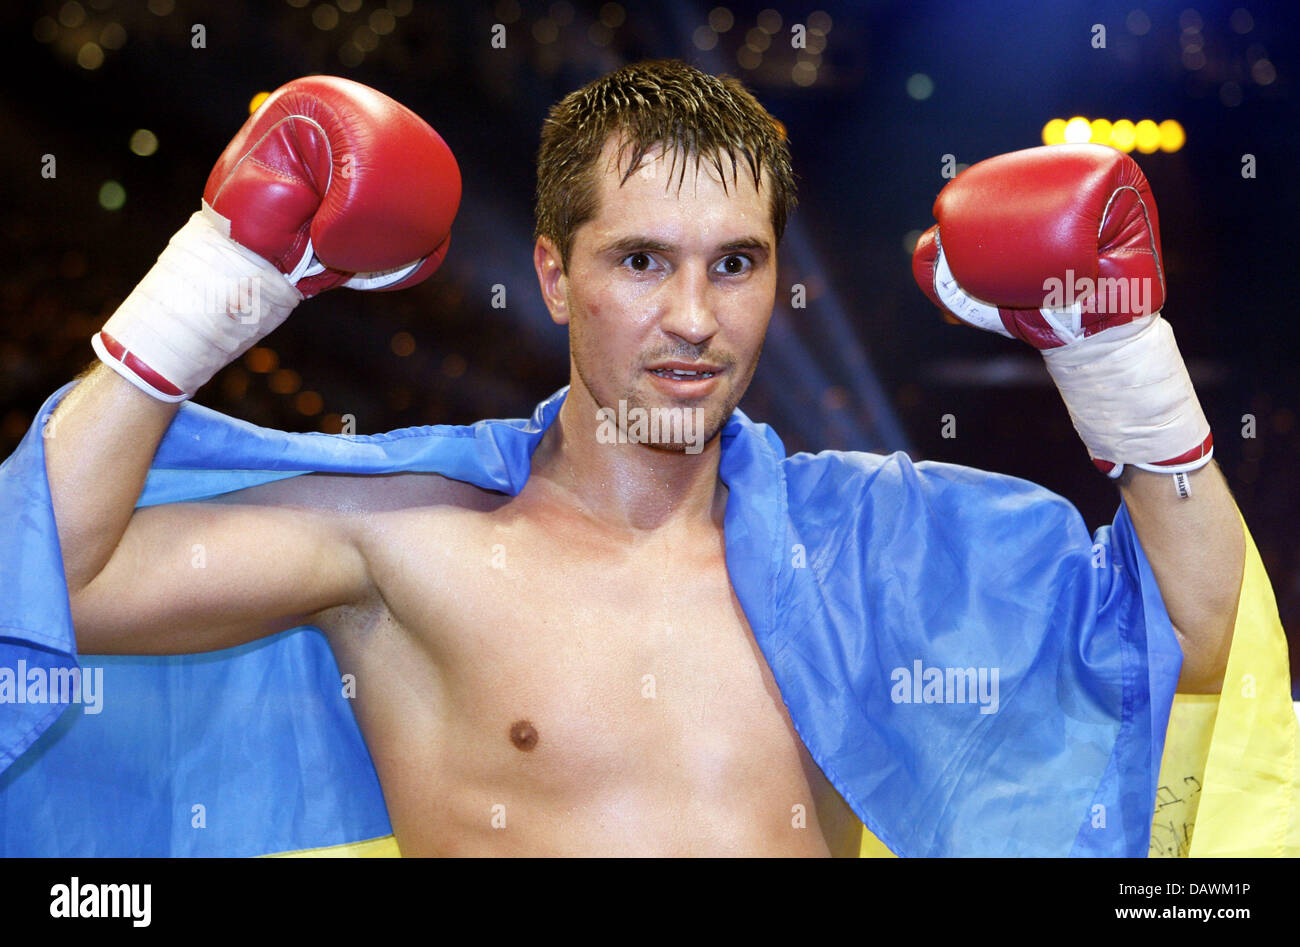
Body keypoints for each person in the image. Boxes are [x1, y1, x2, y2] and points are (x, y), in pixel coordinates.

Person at [0, 60, 1292, 857]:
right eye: (641, 261)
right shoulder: (403, 541)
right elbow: (52, 586)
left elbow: (1202, 639)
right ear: (556, 275)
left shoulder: (870, 544)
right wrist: (218, 285)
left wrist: (1113, 352)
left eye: (736, 263)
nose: (693, 317)